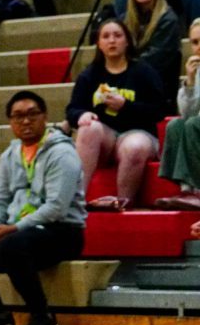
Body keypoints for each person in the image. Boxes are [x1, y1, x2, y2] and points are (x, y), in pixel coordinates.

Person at [0, 91, 86, 325]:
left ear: (45, 116)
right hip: (20, 233)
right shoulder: (9, 155)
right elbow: (0, 200)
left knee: (11, 246)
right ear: (10, 122)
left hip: (62, 232)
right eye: (18, 116)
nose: (25, 121)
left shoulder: (62, 153)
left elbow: (56, 208)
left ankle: (42, 318)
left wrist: (13, 228)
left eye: (32, 114)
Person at [66, 19, 165, 210]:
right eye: (106, 36)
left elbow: (159, 110)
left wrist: (125, 106)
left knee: (134, 146)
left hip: (140, 133)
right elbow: (72, 109)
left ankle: (122, 203)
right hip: (105, 139)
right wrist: (82, 115)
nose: (112, 41)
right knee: (88, 128)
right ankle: (75, 202)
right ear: (99, 43)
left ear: (127, 41)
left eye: (117, 36)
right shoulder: (89, 75)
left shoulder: (144, 72)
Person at [121, 0, 182, 113]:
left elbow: (155, 61)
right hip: (130, 83)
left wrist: (120, 68)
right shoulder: (125, 20)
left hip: (157, 89)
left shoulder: (168, 20)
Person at [156, 18, 200, 210]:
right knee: (176, 125)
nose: (199, 47)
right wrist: (190, 83)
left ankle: (197, 190)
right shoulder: (196, 71)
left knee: (193, 124)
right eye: (195, 42)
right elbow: (187, 113)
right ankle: (186, 190)